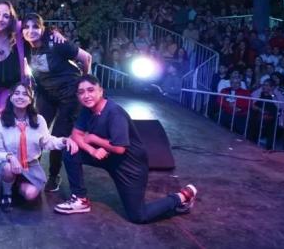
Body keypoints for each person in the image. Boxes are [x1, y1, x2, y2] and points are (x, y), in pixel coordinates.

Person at [56, 76, 198, 223]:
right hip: (106, 156)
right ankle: (80, 199)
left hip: (129, 165)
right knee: (71, 150)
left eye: (91, 90)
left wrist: (93, 139)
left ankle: (181, 197)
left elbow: (119, 149)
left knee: (138, 216)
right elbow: (76, 135)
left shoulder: (114, 113)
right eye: (81, 92)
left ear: (101, 91)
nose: (86, 95)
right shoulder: (87, 110)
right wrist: (92, 151)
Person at [21, 13, 91, 192]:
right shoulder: (25, 46)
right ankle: (31, 171)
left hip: (69, 95)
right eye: (26, 27)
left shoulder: (56, 42)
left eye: (35, 26)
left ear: (42, 28)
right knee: (35, 130)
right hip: (46, 94)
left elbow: (86, 57)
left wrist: (84, 83)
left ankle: (53, 176)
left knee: (59, 134)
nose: (30, 31)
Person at [0, 84, 75, 208]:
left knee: (30, 194)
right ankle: (6, 193)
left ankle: (15, 186)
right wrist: (10, 157)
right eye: (16, 93)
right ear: (11, 97)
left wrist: (64, 141)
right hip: (8, 165)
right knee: (8, 168)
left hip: (30, 166)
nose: (20, 97)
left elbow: (46, 141)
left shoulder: (38, 120)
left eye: (25, 94)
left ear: (30, 99)